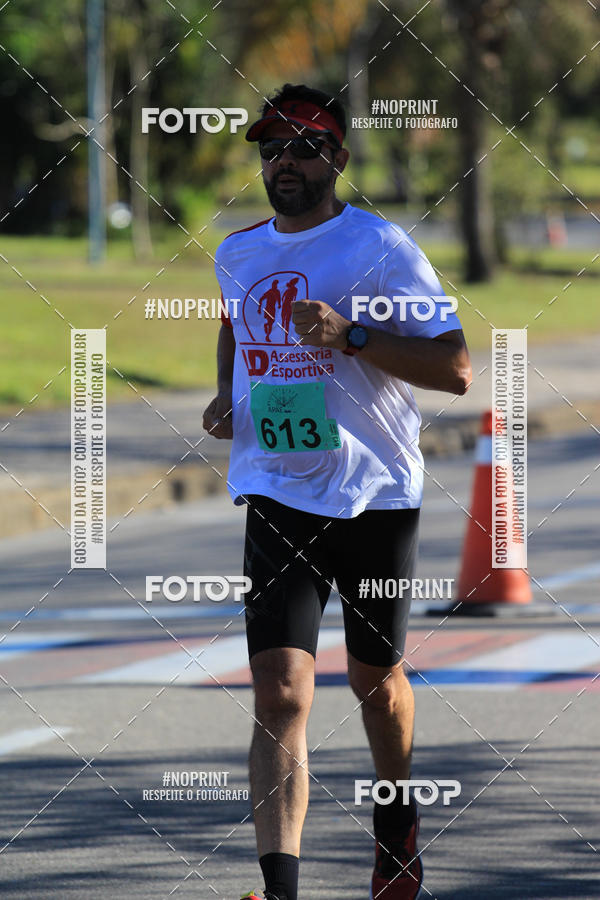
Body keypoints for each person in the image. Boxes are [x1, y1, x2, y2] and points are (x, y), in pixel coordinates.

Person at [202, 83, 471, 900]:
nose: (286, 160)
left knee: (375, 684)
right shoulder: (238, 252)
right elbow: (233, 321)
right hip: (278, 489)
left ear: (338, 158)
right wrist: (226, 395)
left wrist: (352, 335)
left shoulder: (380, 249)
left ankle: (397, 833)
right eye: (272, 147)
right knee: (281, 691)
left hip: (374, 493)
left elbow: (455, 367)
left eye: (304, 145)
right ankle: (279, 889)